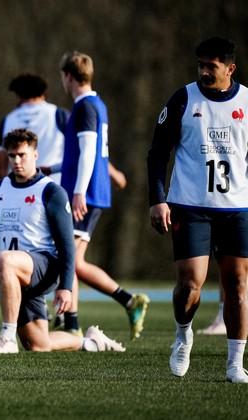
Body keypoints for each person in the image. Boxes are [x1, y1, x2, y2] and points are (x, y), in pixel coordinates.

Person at [147, 37, 248, 383]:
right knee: (191, 283)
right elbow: (157, 153)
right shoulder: (183, 99)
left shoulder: (247, 103)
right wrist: (157, 199)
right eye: (200, 65)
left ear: (230, 69)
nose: (204, 72)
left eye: (212, 66)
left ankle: (235, 362)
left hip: (237, 208)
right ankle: (183, 333)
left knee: (237, 284)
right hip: (190, 206)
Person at [0, 129, 125, 354]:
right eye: (12, 156)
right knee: (38, 344)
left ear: (35, 155)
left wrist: (66, 287)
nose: (16, 161)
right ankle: (90, 342)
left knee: (6, 259)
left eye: (22, 155)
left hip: (44, 266)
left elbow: (67, 244)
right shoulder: (0, 187)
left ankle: (7, 338)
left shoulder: (51, 191)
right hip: (14, 271)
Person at [58, 51, 149, 339]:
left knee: (68, 258)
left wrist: (79, 192)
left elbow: (88, 153)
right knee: (76, 261)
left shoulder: (85, 107)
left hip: (85, 193)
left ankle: (71, 324)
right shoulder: (97, 104)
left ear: (68, 76)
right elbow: (90, 153)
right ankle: (129, 301)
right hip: (91, 191)